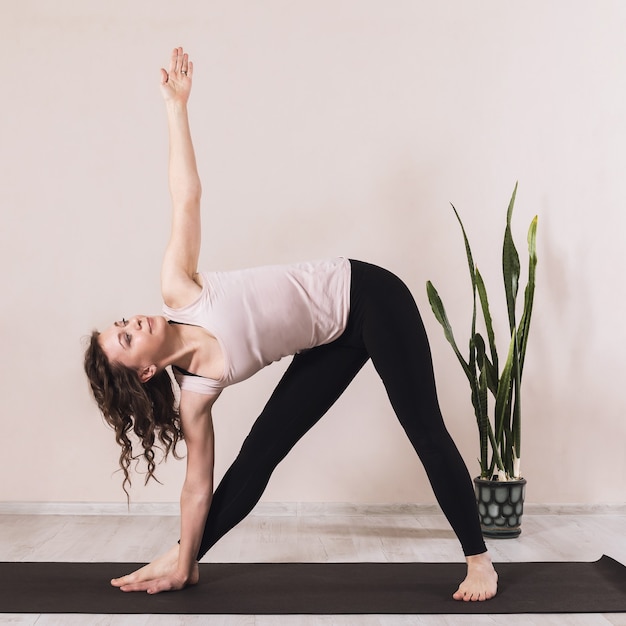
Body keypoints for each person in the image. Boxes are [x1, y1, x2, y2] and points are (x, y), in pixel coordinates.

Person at [84, 47, 498, 602]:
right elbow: (197, 487)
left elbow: (186, 196)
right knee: (259, 455)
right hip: (330, 338)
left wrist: (176, 108)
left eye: (122, 323)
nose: (132, 321)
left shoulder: (180, 288)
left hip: (370, 295)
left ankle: (480, 562)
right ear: (146, 372)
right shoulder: (195, 396)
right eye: (127, 338)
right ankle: (184, 559)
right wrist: (184, 555)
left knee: (423, 427)